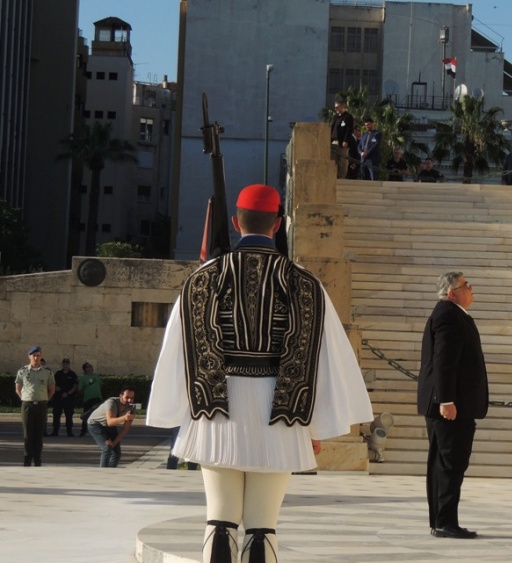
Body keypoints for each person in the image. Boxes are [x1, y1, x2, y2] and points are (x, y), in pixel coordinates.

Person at [147, 183, 373, 563]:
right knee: (262, 527)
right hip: (281, 412)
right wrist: (313, 426)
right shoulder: (305, 283)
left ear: (236, 223)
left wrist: (179, 411)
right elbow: (322, 358)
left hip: (217, 410)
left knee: (218, 520)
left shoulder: (203, 278)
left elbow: (178, 351)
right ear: (279, 224)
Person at [417, 272, 489, 539]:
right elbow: (444, 361)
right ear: (451, 293)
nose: (471, 288)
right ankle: (445, 522)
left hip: (451, 405)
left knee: (445, 464)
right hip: (450, 407)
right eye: (465, 285)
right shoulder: (448, 315)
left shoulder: (452, 313)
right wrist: (446, 400)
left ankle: (442, 521)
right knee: (449, 464)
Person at [15, 345, 55, 467]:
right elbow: (18, 388)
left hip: (41, 406)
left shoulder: (47, 372)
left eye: (38, 355)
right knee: (28, 434)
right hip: (28, 405)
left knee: (38, 434)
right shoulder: (22, 371)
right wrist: (24, 398)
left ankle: (37, 460)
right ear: (29, 357)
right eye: (34, 356)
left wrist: (45, 399)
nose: (36, 358)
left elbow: (51, 389)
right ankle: (27, 460)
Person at [86, 387, 137, 467]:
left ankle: (111, 471)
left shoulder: (131, 408)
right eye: (127, 397)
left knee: (116, 452)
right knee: (107, 448)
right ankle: (103, 473)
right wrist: (124, 417)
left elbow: (125, 429)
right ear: (121, 396)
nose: (129, 400)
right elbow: (110, 422)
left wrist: (114, 442)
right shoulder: (111, 403)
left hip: (110, 426)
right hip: (96, 424)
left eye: (132, 398)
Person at [50, 358, 79, 437]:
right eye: (64, 364)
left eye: (67, 364)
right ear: (62, 364)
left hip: (69, 398)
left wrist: (68, 393)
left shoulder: (72, 374)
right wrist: (55, 388)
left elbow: (75, 386)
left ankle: (69, 432)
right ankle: (55, 431)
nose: (65, 365)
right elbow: (53, 383)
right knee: (56, 415)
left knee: (69, 415)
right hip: (58, 397)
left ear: (69, 365)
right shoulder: (58, 374)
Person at [78, 362, 103, 437]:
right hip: (88, 399)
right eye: (88, 367)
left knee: (98, 416)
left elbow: (100, 385)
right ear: (85, 369)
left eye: (91, 367)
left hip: (97, 398)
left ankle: (98, 431)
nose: (90, 368)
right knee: (86, 415)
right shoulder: (83, 378)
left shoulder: (97, 376)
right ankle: (84, 431)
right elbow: (80, 389)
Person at [330, 99, 354, 179]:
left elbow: (349, 129)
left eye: (337, 107)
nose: (336, 109)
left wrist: (345, 140)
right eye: (335, 107)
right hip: (333, 142)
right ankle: (334, 176)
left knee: (342, 161)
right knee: (333, 161)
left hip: (342, 143)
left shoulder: (348, 117)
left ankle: (342, 177)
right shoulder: (335, 117)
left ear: (342, 106)